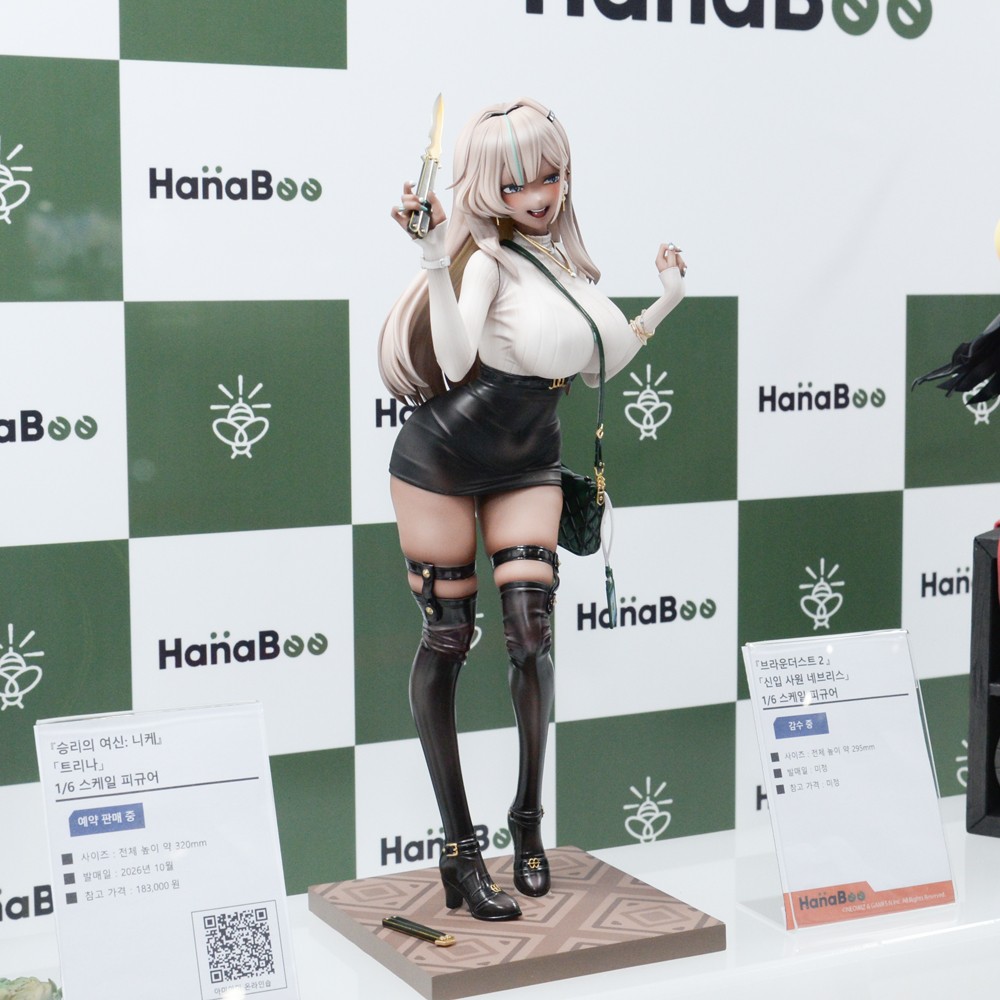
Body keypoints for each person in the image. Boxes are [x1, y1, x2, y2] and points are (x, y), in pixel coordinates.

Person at [379, 97, 686, 921]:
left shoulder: (567, 267)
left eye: (549, 176)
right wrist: (434, 260)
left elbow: (596, 365)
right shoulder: (486, 260)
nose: (538, 195)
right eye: (516, 183)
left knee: (530, 636)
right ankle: (460, 851)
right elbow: (453, 362)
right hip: (442, 460)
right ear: (489, 188)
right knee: (449, 638)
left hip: (529, 462)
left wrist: (666, 299)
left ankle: (528, 824)